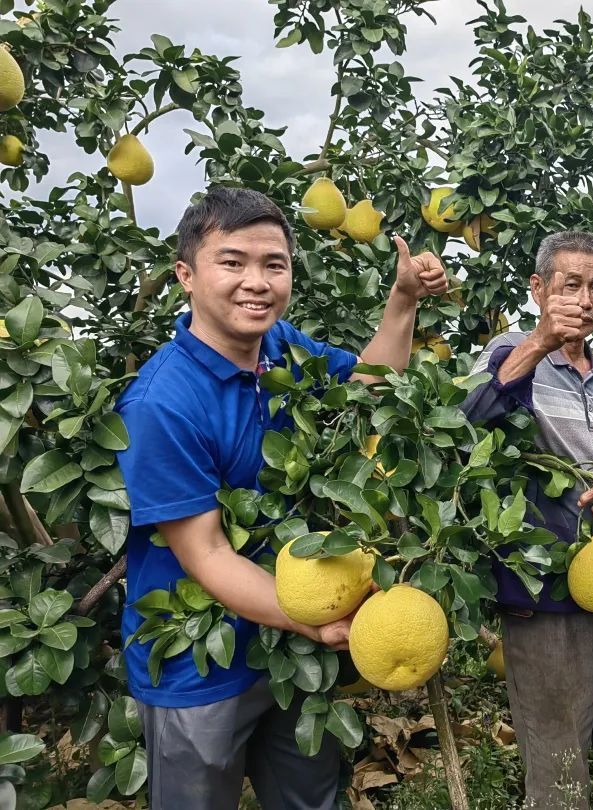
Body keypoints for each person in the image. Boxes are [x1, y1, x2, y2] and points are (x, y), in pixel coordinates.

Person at [115, 186, 447, 810]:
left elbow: (369, 390)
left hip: (291, 656)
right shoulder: (162, 404)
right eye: (232, 262)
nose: (256, 282)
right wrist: (314, 620)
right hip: (201, 666)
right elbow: (208, 552)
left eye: (274, 264)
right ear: (186, 275)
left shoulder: (282, 349)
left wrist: (402, 301)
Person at [461, 230, 593, 809]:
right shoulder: (508, 353)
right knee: (558, 763)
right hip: (545, 591)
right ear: (538, 289)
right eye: (570, 284)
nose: (585, 298)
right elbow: (467, 420)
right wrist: (540, 342)